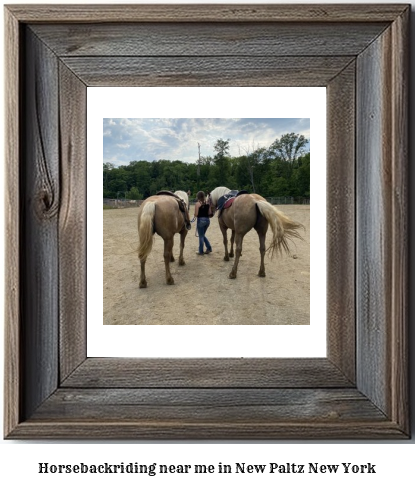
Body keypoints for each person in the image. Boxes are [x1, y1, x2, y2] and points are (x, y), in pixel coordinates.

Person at [194, 191, 212, 255]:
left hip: (201, 221)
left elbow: (196, 214)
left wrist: (195, 214)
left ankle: (201, 251)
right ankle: (209, 248)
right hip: (207, 221)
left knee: (201, 236)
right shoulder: (207, 203)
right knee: (202, 235)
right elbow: (209, 213)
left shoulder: (197, 204)